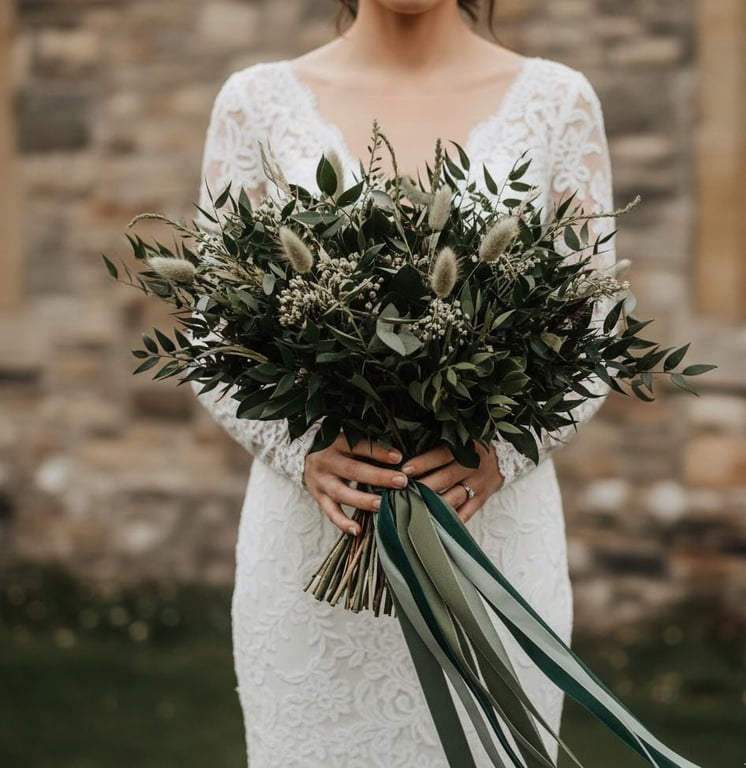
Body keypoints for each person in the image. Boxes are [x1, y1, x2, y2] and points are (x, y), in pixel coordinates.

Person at [192, 1, 616, 765]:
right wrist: (304, 451)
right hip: (314, 549)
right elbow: (207, 335)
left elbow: (598, 329)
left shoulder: (559, 103)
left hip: (487, 539)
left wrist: (502, 456)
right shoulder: (255, 104)